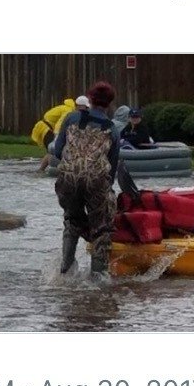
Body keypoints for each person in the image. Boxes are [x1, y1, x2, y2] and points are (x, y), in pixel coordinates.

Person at [53, 81, 120, 275]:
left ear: (89, 99)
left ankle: (65, 271)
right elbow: (112, 167)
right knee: (101, 230)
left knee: (72, 220)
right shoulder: (112, 129)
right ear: (109, 103)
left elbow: (57, 151)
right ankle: (98, 281)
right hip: (97, 180)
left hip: (67, 178)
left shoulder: (71, 118)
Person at [38, 95, 91, 172]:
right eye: (86, 107)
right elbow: (60, 125)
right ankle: (41, 169)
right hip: (47, 128)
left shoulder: (71, 113)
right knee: (53, 151)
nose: (87, 109)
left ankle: (41, 169)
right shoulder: (69, 113)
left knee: (53, 152)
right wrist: (57, 137)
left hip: (49, 130)